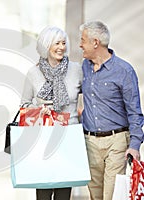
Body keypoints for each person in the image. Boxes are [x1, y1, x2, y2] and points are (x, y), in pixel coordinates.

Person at [79, 21, 144, 200]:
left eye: (83, 40)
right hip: (90, 142)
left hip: (117, 142)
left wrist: (135, 145)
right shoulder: (84, 67)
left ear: (95, 42)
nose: (80, 44)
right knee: (96, 197)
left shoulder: (124, 70)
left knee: (111, 196)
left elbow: (134, 111)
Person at [21, 26, 83, 200]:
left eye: (64, 43)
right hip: (43, 138)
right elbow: (24, 105)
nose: (61, 47)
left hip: (69, 137)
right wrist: (39, 110)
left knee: (64, 193)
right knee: (43, 193)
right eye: (57, 43)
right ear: (46, 45)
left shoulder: (76, 69)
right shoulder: (33, 73)